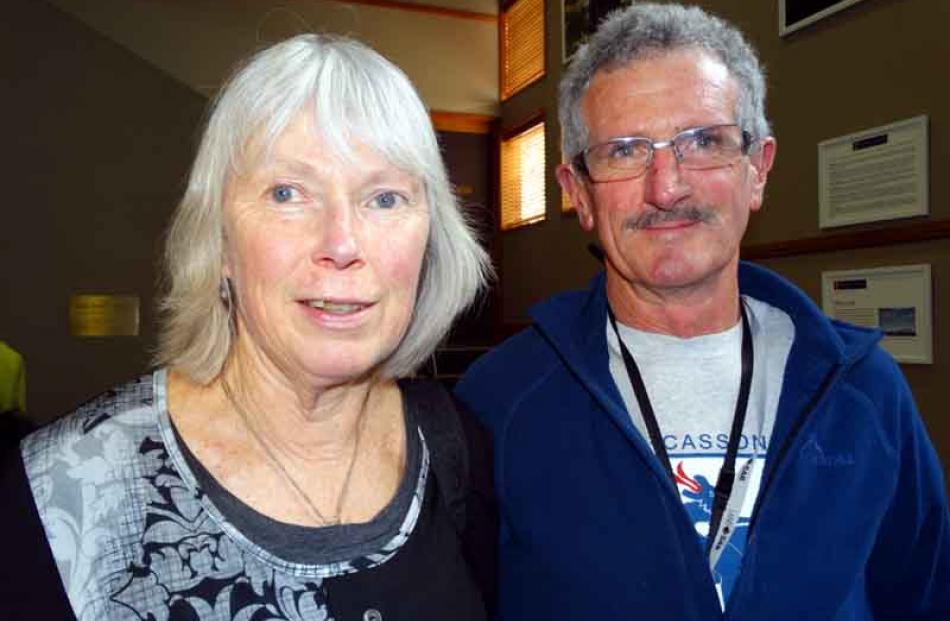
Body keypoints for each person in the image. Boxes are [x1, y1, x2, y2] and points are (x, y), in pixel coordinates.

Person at [455, 3, 950, 620]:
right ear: (578, 192)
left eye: (704, 142)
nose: (667, 187)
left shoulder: (866, 393)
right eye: (625, 151)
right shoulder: (497, 402)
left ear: (757, 171)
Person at [0, 34, 496, 620]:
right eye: (288, 193)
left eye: (385, 199)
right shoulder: (60, 493)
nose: (341, 242)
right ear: (220, 243)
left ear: (429, 240)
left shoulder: (456, 443)